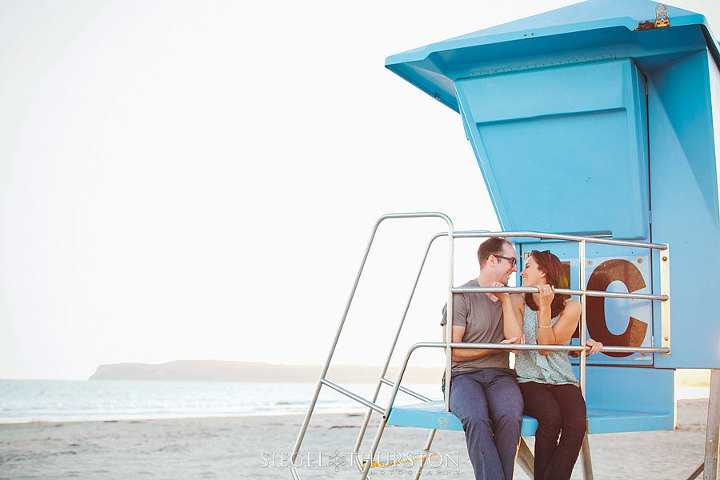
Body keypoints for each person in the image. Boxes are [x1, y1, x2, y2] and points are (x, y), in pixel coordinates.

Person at [496, 250, 603, 480]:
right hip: (529, 378)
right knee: (551, 418)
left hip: (562, 377)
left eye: (528, 267)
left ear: (543, 272)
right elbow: (541, 347)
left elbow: (546, 347)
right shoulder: (517, 300)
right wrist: (540, 307)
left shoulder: (571, 306)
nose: (522, 272)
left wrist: (546, 308)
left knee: (576, 423)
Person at [441, 237, 524, 480]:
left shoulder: (514, 297)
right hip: (462, 375)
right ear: (491, 260)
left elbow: (516, 347)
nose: (515, 268)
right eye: (511, 261)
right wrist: (494, 347)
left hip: (500, 376)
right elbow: (452, 351)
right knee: (476, 418)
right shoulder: (461, 296)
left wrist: (506, 299)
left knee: (510, 417)